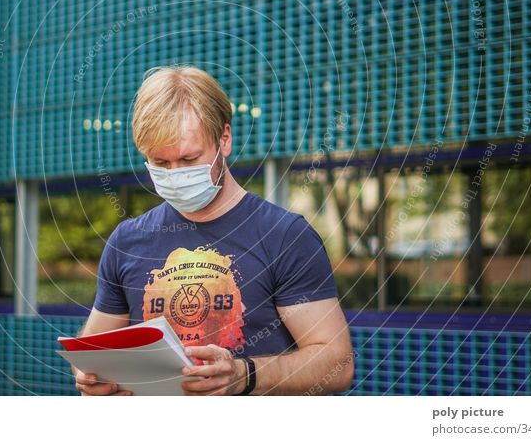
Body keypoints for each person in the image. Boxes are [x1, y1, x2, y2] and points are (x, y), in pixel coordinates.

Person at [73, 65, 354, 396]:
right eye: (160, 164)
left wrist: (245, 374)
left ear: (225, 140)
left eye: (189, 159)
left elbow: (337, 364)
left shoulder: (284, 235)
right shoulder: (127, 240)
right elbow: (90, 356)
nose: (175, 173)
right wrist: (93, 380)